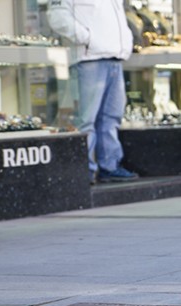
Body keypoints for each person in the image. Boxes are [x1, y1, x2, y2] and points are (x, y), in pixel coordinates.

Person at [47, 0, 138, 184]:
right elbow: (57, 16)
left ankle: (110, 167)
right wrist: (86, 38)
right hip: (89, 59)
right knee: (85, 120)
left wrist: (125, 43)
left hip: (114, 58)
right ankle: (85, 171)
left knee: (111, 117)